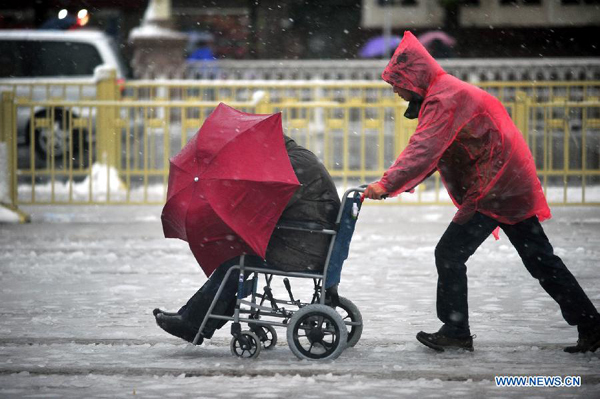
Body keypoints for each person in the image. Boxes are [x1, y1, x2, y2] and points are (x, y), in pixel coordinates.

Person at [363, 31, 600, 353]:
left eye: (396, 83)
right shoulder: (446, 93)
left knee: (450, 254)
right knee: (541, 259)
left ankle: (456, 330)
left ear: (413, 77)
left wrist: (386, 185)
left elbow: (425, 148)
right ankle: (592, 324)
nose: (395, 91)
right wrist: (391, 183)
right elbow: (436, 150)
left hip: (494, 187)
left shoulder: (444, 98)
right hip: (507, 183)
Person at [154, 135, 340, 344]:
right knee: (239, 255)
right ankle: (199, 316)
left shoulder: (293, 165)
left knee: (236, 260)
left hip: (303, 249)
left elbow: (269, 207)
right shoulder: (300, 159)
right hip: (311, 244)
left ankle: (192, 323)